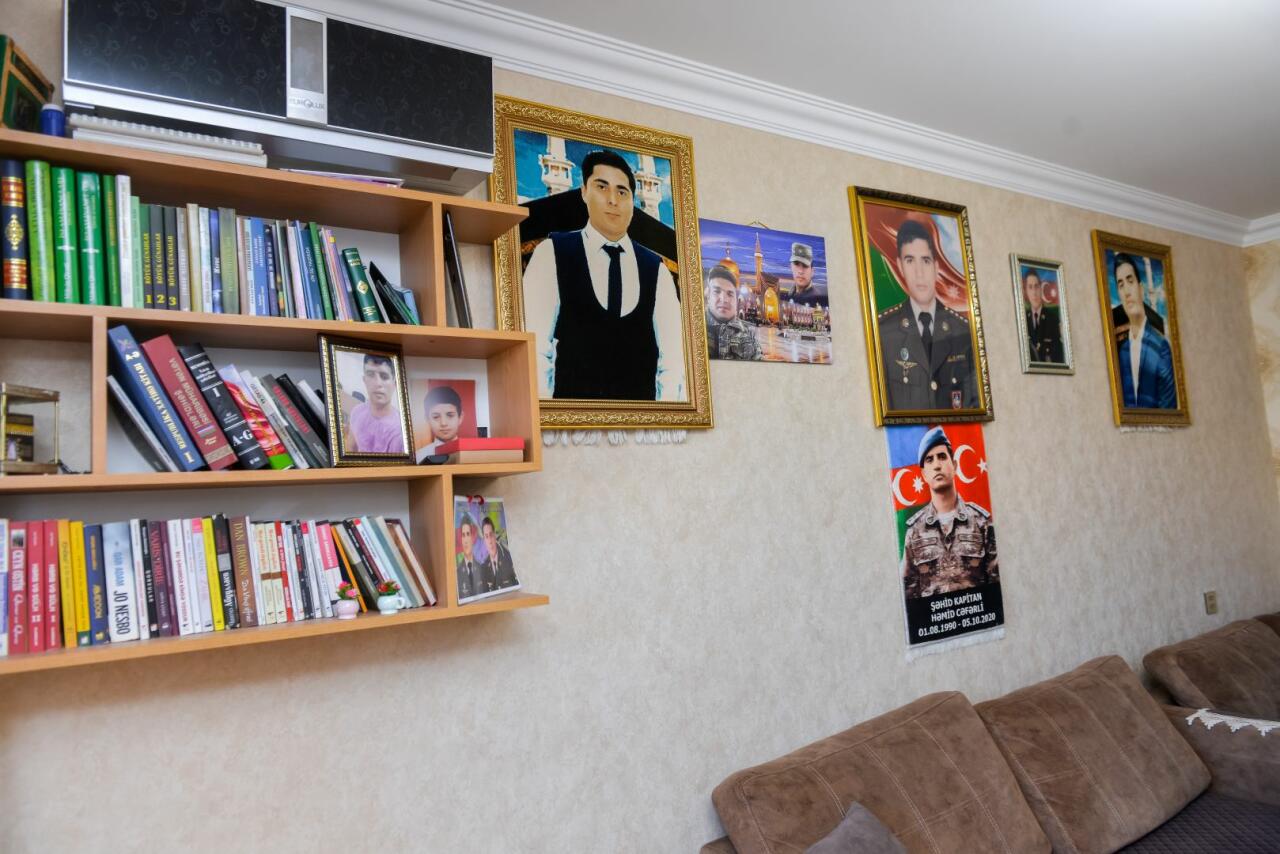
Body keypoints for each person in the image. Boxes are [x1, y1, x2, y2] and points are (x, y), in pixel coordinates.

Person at [521, 150, 685, 401]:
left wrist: (662, 415)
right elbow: (535, 350)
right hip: (571, 421)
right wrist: (548, 414)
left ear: (632, 202)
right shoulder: (552, 253)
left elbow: (673, 361)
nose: (612, 200)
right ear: (584, 192)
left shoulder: (656, 269)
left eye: (622, 192)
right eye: (602, 187)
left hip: (642, 420)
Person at [877, 220, 976, 411]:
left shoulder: (963, 331)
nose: (919, 273)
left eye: (925, 260)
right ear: (900, 266)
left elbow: (974, 404)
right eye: (910, 261)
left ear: (936, 267)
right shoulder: (883, 333)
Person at [901, 427, 998, 599]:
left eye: (942, 456)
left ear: (954, 466)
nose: (937, 465)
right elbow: (908, 596)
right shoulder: (914, 531)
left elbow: (995, 586)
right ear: (923, 474)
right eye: (929, 460)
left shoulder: (981, 522)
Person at [1113, 253, 1176, 409]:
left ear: (1140, 288)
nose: (1127, 292)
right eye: (1121, 285)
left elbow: (1168, 408)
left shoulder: (1160, 347)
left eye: (1130, 281)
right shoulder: (1123, 351)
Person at [346, 353, 405, 454]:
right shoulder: (357, 412)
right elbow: (351, 448)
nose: (377, 383)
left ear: (394, 384)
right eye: (370, 374)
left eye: (384, 376)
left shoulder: (401, 430)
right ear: (364, 380)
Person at [704, 264, 761, 360]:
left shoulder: (749, 332)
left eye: (730, 294)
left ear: (736, 299)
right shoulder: (694, 327)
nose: (724, 299)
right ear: (708, 295)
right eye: (717, 291)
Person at [1022, 269, 1064, 364]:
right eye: (1030, 287)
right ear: (1026, 291)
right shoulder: (1023, 319)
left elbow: (1059, 356)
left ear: (1041, 289)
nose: (1034, 292)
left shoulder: (1053, 319)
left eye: (1036, 286)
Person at [416, 385, 465, 463]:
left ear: (460, 417)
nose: (443, 423)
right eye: (436, 417)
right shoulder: (419, 457)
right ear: (427, 419)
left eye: (450, 415)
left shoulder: (472, 453)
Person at [480, 517, 519, 592]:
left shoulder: (509, 559)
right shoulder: (484, 568)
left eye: (491, 535)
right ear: (484, 540)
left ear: (495, 535)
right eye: (486, 536)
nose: (490, 541)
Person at [455, 515, 485, 601]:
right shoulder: (456, 573)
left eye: (468, 534)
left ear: (473, 537)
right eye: (463, 535)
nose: (465, 540)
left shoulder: (482, 569)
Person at [787, 242, 822, 306]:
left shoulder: (817, 300)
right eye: (796, 264)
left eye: (805, 266)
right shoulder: (791, 292)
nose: (800, 271)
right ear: (791, 267)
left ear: (812, 272)